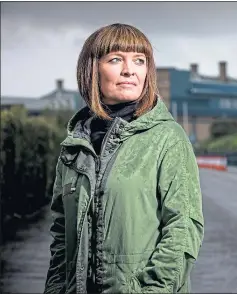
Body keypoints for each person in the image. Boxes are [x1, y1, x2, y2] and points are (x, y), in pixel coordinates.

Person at [44, 23, 204, 294]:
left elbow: (183, 229)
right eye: (116, 59)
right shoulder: (74, 147)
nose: (130, 70)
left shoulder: (167, 138)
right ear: (91, 70)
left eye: (139, 61)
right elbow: (62, 237)